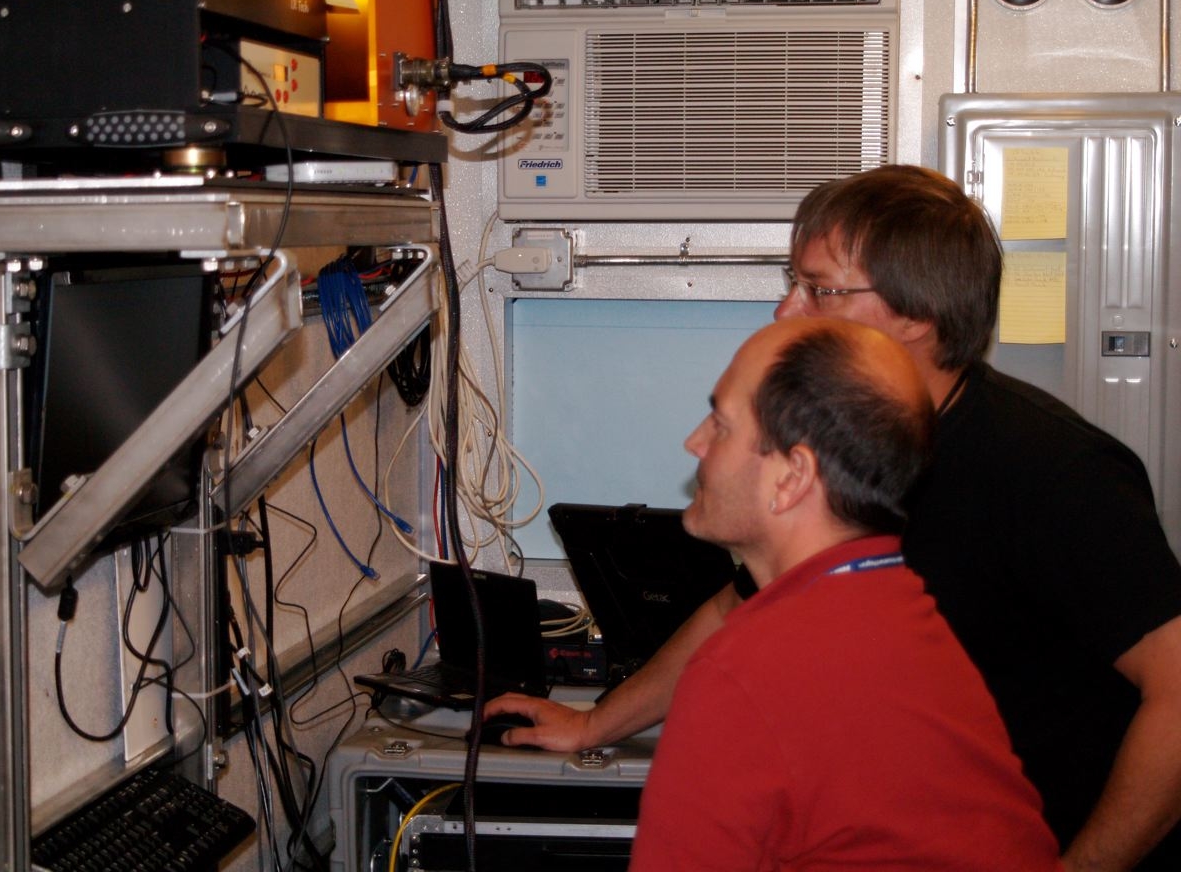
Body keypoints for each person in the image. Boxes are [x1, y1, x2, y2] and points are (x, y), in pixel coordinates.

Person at [487, 165, 1181, 872]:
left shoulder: (1055, 470)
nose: (786, 313)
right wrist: (596, 724)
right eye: (791, 283)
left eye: (819, 289)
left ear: (916, 315)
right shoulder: (851, 452)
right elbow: (741, 606)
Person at [626, 316, 1060, 871]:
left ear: (791, 478)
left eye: (721, 424)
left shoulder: (742, 673)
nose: (695, 442)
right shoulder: (908, 615)